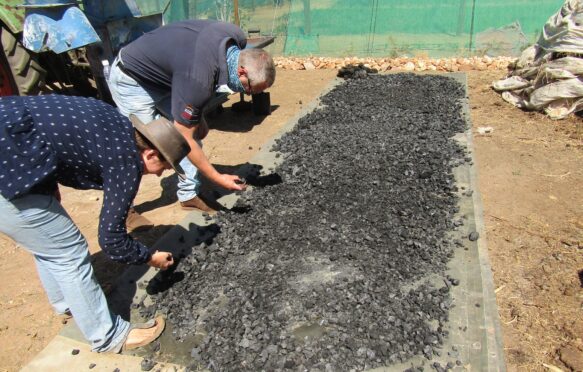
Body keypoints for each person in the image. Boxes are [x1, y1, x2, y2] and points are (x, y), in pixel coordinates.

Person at [0, 94, 191, 353]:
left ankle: (66, 302)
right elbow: (112, 241)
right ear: (149, 152)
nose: (159, 174)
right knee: (69, 252)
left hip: (12, 141)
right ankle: (108, 336)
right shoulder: (126, 161)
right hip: (8, 165)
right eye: (164, 167)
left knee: (48, 240)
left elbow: (51, 132)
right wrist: (150, 257)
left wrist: (45, 181)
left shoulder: (116, 124)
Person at [107, 19, 276, 213]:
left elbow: (194, 76)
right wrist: (217, 177)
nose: (248, 94)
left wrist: (197, 116)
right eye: (250, 89)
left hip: (170, 77)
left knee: (196, 134)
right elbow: (184, 135)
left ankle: (188, 196)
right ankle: (122, 210)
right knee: (148, 149)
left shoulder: (235, 38)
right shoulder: (198, 80)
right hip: (133, 79)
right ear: (242, 71)